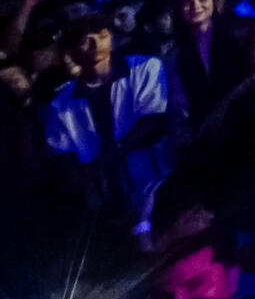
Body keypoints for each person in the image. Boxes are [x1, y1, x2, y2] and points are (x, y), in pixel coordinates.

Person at [42, 17, 171, 223]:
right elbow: (64, 161)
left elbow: (152, 121)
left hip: (156, 184)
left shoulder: (144, 67)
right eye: (85, 40)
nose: (96, 44)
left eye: (102, 36)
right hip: (104, 204)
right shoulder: (60, 104)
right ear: (72, 51)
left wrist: (110, 154)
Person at [172, 0, 255, 128]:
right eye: (188, 2)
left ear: (214, 2)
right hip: (211, 127)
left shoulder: (237, 30)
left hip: (248, 114)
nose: (196, 6)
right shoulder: (182, 50)